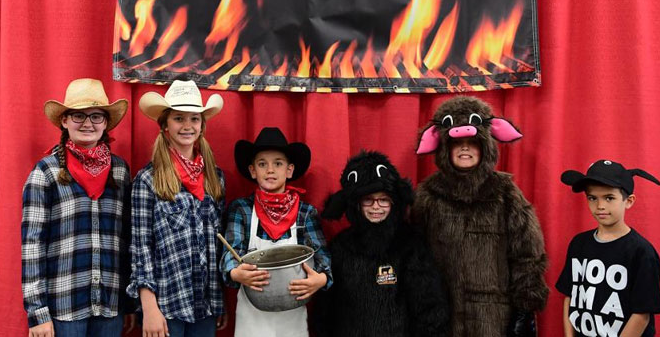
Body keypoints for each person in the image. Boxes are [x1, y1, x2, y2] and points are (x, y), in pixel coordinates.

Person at [412, 95, 548, 337]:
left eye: (472, 142)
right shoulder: (428, 196)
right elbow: (414, 255)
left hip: (493, 318)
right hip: (442, 316)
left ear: (485, 147)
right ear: (444, 148)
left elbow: (527, 255)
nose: (465, 148)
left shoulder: (505, 193)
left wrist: (524, 309)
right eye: (457, 143)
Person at [22, 78, 132, 337]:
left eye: (96, 116)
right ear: (64, 121)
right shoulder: (46, 172)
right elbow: (32, 246)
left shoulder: (120, 170)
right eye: (78, 116)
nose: (87, 123)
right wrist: (37, 312)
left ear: (105, 123)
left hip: (110, 302)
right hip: (64, 305)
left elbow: (127, 238)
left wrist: (129, 303)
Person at [128, 79, 226, 337]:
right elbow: (141, 246)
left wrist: (218, 301)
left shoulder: (215, 178)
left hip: (205, 303)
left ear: (202, 126)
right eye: (178, 118)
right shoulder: (148, 179)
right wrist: (149, 307)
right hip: (166, 304)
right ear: (165, 126)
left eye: (194, 119)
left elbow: (218, 242)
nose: (187, 126)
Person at [317, 150, 450, 337]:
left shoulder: (409, 243)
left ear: (394, 203)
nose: (376, 206)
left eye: (383, 200)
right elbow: (326, 308)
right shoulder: (340, 246)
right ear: (356, 204)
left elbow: (429, 307)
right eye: (368, 200)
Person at [220, 127, 332, 337]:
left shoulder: (305, 213)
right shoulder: (241, 209)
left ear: (289, 170)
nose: (270, 170)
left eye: (278, 163)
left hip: (293, 317)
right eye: (262, 164)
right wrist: (235, 272)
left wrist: (321, 279)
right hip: (251, 319)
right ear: (253, 170)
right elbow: (230, 252)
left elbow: (322, 257)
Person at [557, 159, 660, 337]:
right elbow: (570, 296)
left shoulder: (641, 252)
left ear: (628, 201)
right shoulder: (579, 244)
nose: (600, 206)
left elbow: (641, 315)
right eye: (592, 198)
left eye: (609, 198)